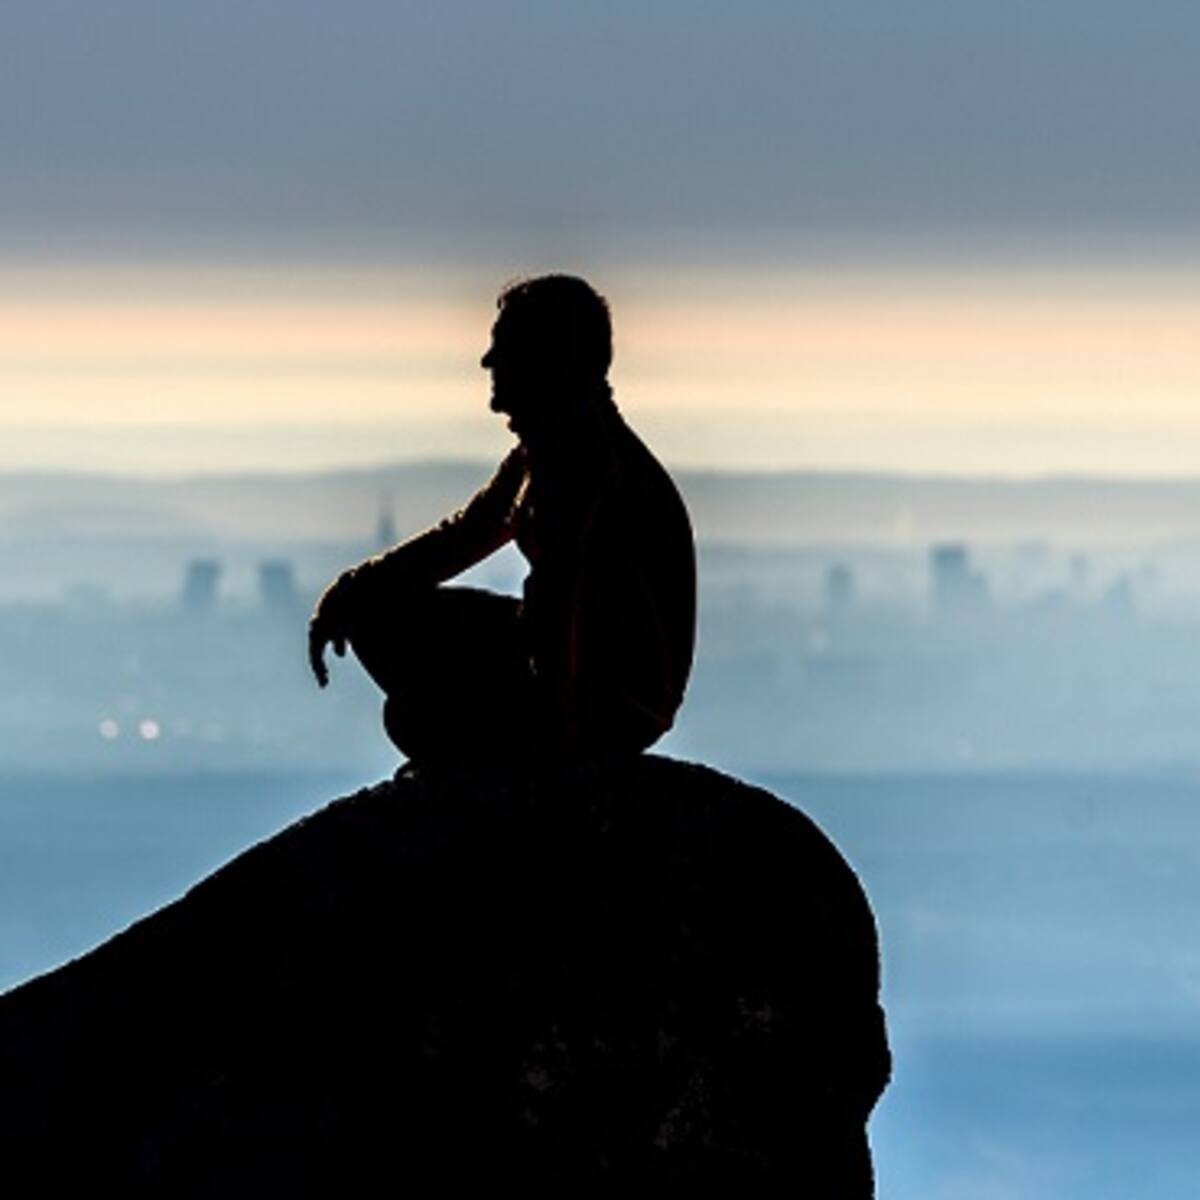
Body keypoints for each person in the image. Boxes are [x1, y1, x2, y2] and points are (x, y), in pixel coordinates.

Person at [308, 274, 696, 767]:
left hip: (601, 704)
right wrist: (350, 592)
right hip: (596, 694)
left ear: (548, 360)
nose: (488, 364)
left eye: (504, 348)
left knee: (409, 707)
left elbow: (569, 608)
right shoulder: (552, 448)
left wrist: (562, 749)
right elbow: (471, 531)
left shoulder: (586, 465)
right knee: (378, 622)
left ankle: (489, 758)